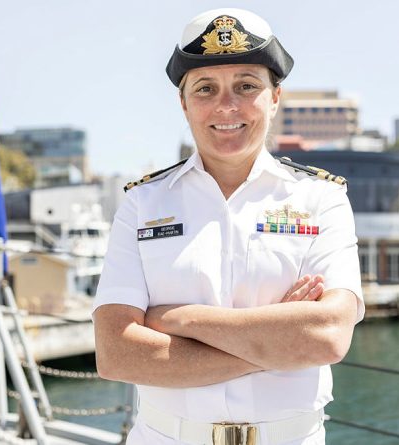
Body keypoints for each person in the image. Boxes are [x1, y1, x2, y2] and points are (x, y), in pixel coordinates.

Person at [93, 8, 364, 445]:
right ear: (184, 103)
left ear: (275, 97)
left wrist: (180, 320)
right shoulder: (142, 204)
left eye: (246, 86)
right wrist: (276, 343)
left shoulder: (321, 200)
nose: (227, 106)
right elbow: (116, 354)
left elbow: (327, 337)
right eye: (205, 88)